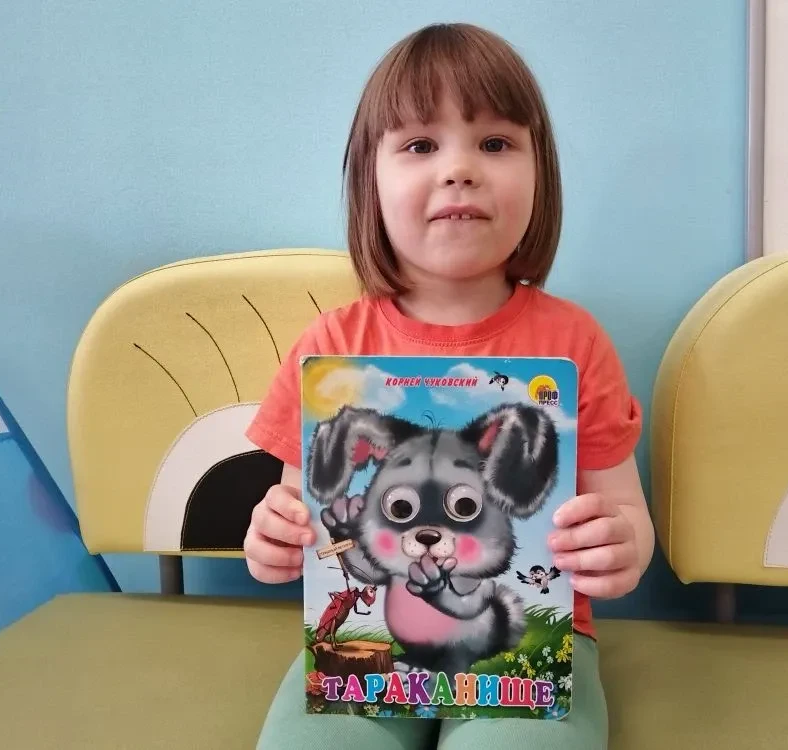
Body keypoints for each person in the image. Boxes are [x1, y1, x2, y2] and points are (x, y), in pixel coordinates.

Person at [242, 21, 654, 750]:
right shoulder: (330, 350)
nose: (459, 169)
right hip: (369, 647)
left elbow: (628, 519)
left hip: (523, 650)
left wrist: (620, 548)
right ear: (369, 179)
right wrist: (271, 541)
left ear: (540, 174)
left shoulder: (575, 344)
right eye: (419, 145)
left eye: (494, 143)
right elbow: (297, 515)